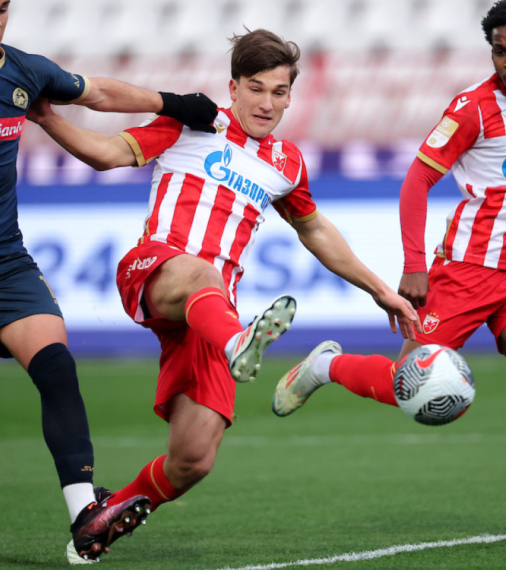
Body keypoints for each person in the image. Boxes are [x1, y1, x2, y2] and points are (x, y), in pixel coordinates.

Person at [28, 28, 420, 561]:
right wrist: (47, 117)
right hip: (156, 270)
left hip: (211, 314)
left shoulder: (287, 163)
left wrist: (380, 290)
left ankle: (100, 523)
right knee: (202, 275)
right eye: (255, 88)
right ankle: (239, 344)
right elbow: (107, 153)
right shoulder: (194, 123)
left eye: (279, 92)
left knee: (194, 459)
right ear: (232, 87)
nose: (266, 103)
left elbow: (314, 229)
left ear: (291, 96)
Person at [0, 0, 218, 563]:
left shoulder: (24, 69)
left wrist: (173, 103)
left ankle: (86, 515)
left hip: (0, 261)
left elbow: (98, 93)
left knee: (57, 368)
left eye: (3, 10)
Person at [272, 1, 506, 419]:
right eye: (500, 50)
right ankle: (325, 366)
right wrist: (414, 264)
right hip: (473, 265)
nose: (505, 61)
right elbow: (417, 180)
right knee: (408, 385)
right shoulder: (474, 108)